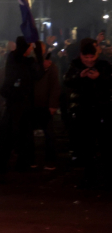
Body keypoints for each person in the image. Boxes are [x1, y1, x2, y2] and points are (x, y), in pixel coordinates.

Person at [63, 38, 112, 188]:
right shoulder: (74, 65)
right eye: (86, 58)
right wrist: (79, 76)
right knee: (87, 145)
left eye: (92, 57)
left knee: (105, 145)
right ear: (81, 56)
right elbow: (67, 81)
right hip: (83, 110)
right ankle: (90, 176)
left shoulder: (104, 65)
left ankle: (107, 177)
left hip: (102, 109)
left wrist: (100, 78)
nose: (90, 61)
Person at [0, 37, 41, 176]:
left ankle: (3, 161)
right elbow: (38, 75)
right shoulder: (27, 62)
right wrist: (39, 56)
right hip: (22, 102)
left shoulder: (12, 57)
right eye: (30, 46)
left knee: (9, 133)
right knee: (22, 133)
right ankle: (21, 162)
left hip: (12, 101)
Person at [32, 42, 60, 170]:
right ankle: (32, 159)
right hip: (32, 104)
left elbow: (55, 86)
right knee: (29, 134)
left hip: (44, 104)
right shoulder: (31, 64)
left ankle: (50, 161)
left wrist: (53, 105)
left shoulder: (50, 66)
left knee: (49, 134)